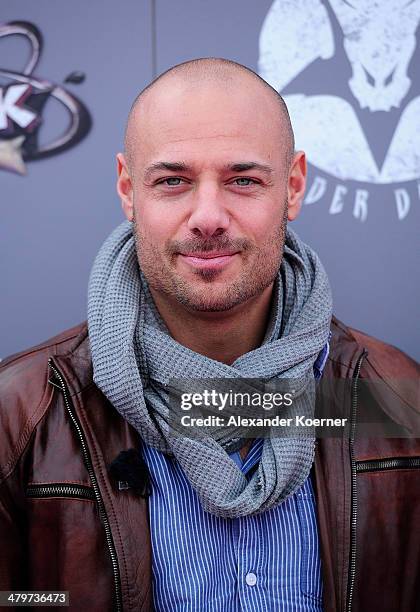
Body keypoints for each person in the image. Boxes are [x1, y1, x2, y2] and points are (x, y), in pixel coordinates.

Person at [0, 58, 419, 612]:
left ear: (292, 187)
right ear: (128, 190)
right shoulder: (26, 411)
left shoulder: (393, 399)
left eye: (243, 180)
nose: (207, 216)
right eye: (173, 181)